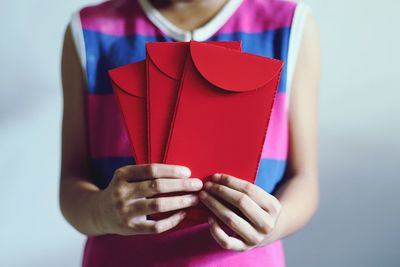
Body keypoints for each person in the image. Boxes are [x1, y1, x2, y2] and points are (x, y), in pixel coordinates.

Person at [59, 0, 320, 266]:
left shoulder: (289, 25)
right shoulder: (89, 30)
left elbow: (304, 178)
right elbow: (71, 185)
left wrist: (276, 224)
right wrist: (102, 211)